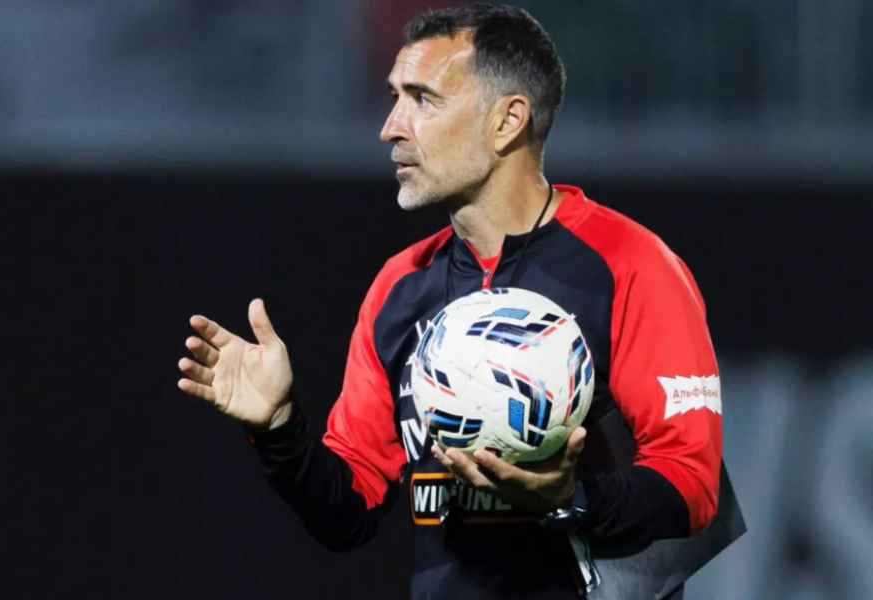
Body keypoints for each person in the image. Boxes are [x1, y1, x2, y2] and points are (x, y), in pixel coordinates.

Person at [177, 4, 736, 599]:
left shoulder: (629, 264)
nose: (391, 127)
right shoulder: (399, 287)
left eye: (422, 99)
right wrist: (280, 429)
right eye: (395, 97)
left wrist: (571, 498)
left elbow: (692, 486)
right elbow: (349, 514)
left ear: (507, 121)